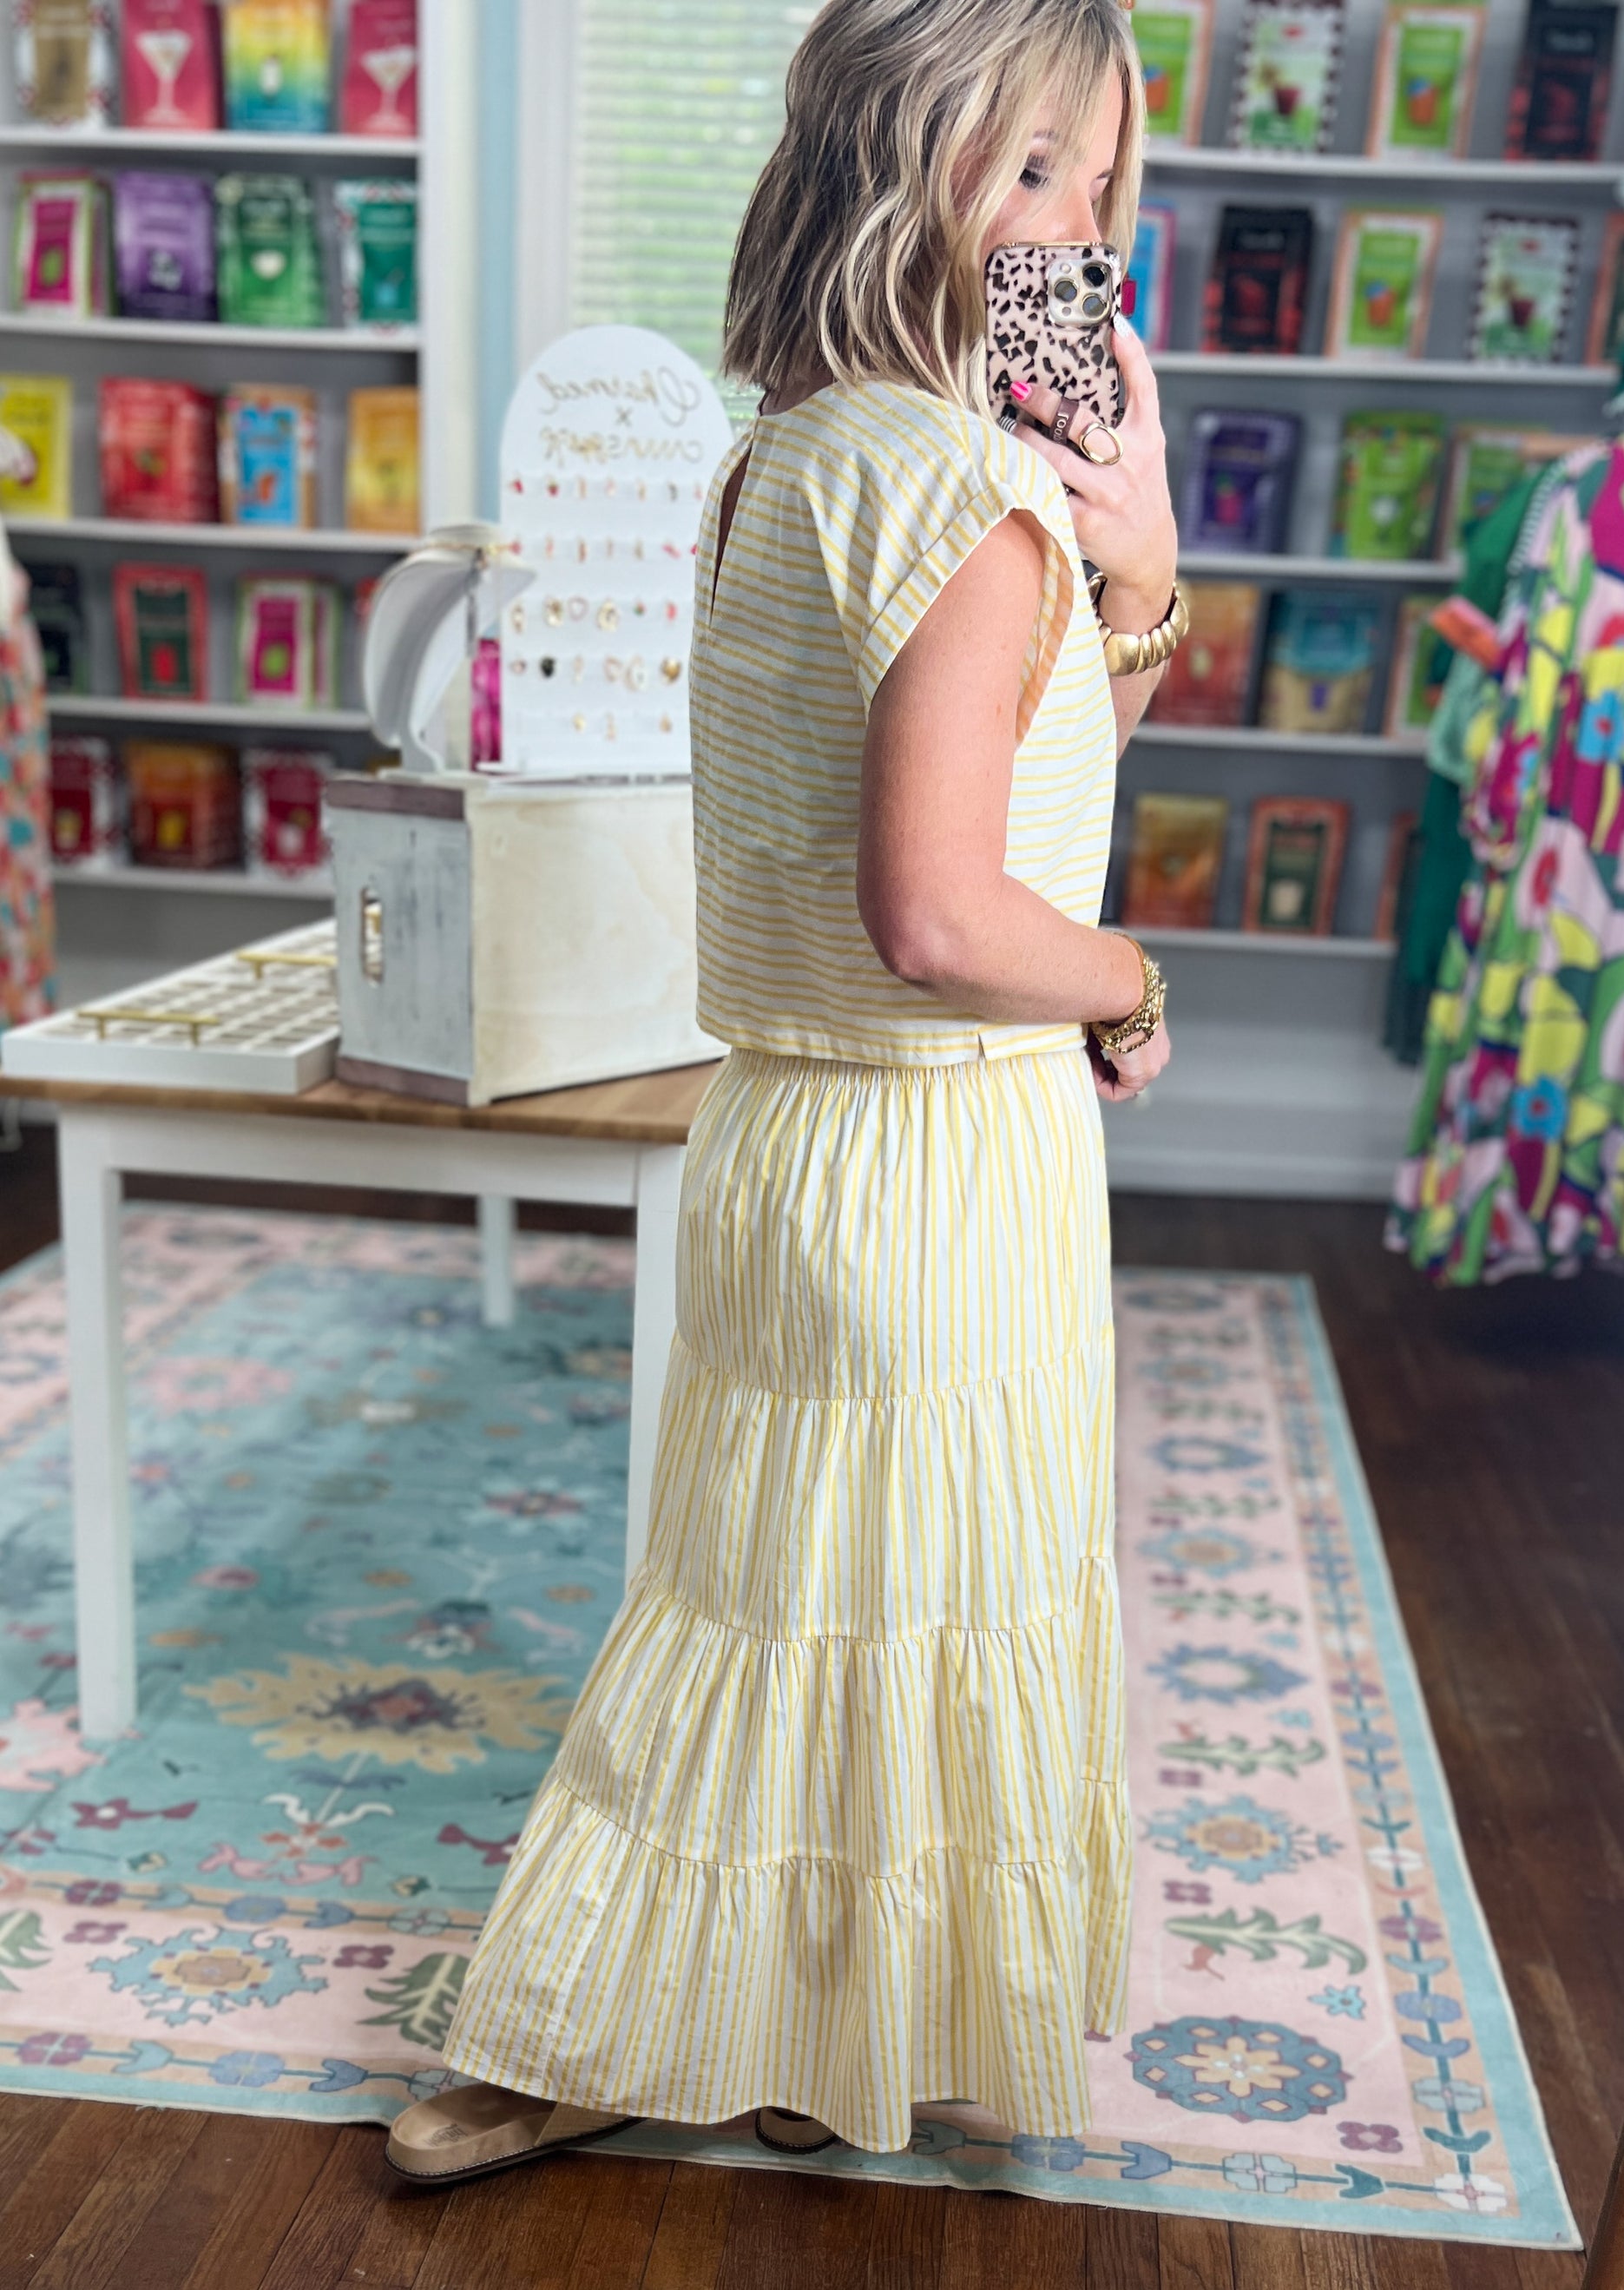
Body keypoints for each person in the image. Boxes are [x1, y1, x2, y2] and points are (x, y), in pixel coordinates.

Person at [385, 0, 1179, 2184]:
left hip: (787, 1137)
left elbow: (1023, 762)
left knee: (786, 1600)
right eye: (1031, 168)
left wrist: (1132, 566)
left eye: (1103, 182)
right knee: (893, 1599)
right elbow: (944, 907)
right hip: (940, 1144)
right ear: (897, 158)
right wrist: (1133, 980)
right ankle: (640, 2022)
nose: (1079, 231)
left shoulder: (793, 452)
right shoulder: (966, 495)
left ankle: (759, 2016)